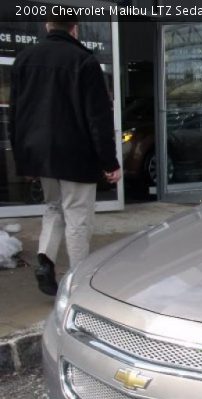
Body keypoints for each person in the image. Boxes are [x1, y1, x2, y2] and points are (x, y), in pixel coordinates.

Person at [10, 17, 121, 296]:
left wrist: (25, 158)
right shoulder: (84, 61)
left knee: (52, 208)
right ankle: (77, 282)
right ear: (75, 28)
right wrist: (110, 162)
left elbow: (15, 115)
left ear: (48, 26)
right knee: (77, 216)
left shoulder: (24, 60)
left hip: (40, 153)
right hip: (76, 155)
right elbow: (99, 118)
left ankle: (45, 261)